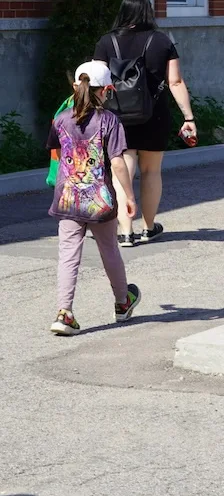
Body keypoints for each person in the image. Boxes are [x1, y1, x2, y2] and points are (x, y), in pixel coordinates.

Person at [94, 0, 197, 248]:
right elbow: (175, 81)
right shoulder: (161, 41)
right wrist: (188, 117)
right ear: (147, 11)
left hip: (118, 115)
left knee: (122, 172)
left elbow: (96, 81)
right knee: (151, 171)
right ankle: (148, 228)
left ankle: (125, 232)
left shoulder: (106, 42)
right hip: (155, 113)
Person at [47, 61, 142, 336]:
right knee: (109, 249)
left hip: (67, 199)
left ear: (75, 87)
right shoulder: (110, 120)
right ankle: (122, 302)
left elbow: (57, 152)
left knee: (68, 255)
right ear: (107, 90)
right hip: (100, 201)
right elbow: (118, 163)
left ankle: (64, 313)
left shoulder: (61, 118)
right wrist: (130, 196)